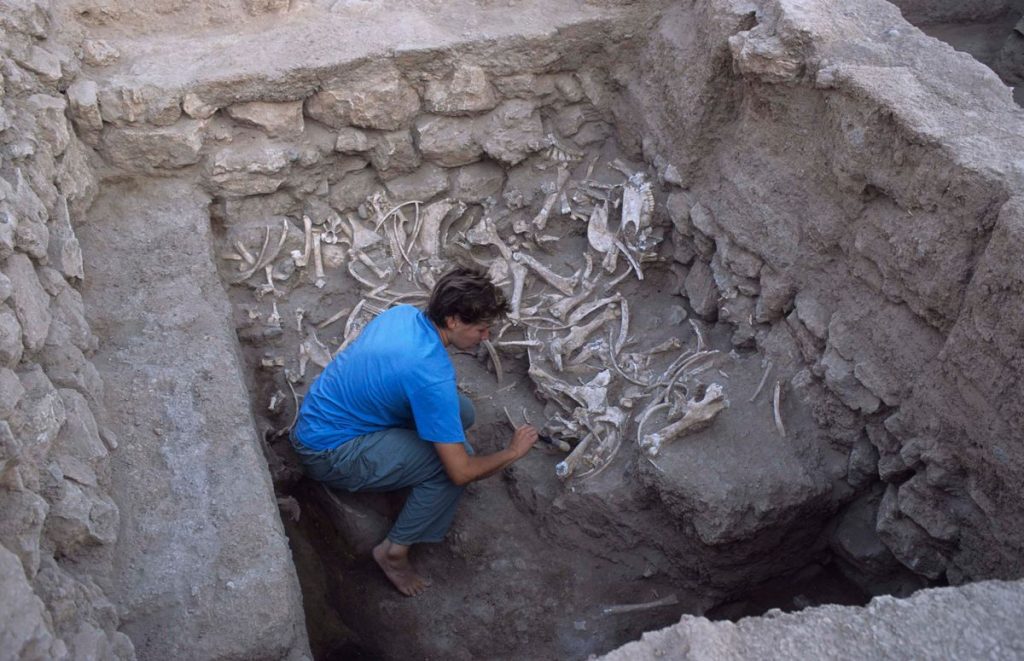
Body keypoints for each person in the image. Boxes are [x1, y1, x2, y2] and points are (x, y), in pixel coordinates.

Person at [291, 266, 538, 596]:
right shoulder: (431, 374)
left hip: (323, 414)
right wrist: (512, 453)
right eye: (481, 329)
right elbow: (462, 472)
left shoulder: (404, 315)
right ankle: (394, 552)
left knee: (461, 411)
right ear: (452, 320)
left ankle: (403, 464)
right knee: (450, 467)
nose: (486, 337)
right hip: (328, 451)